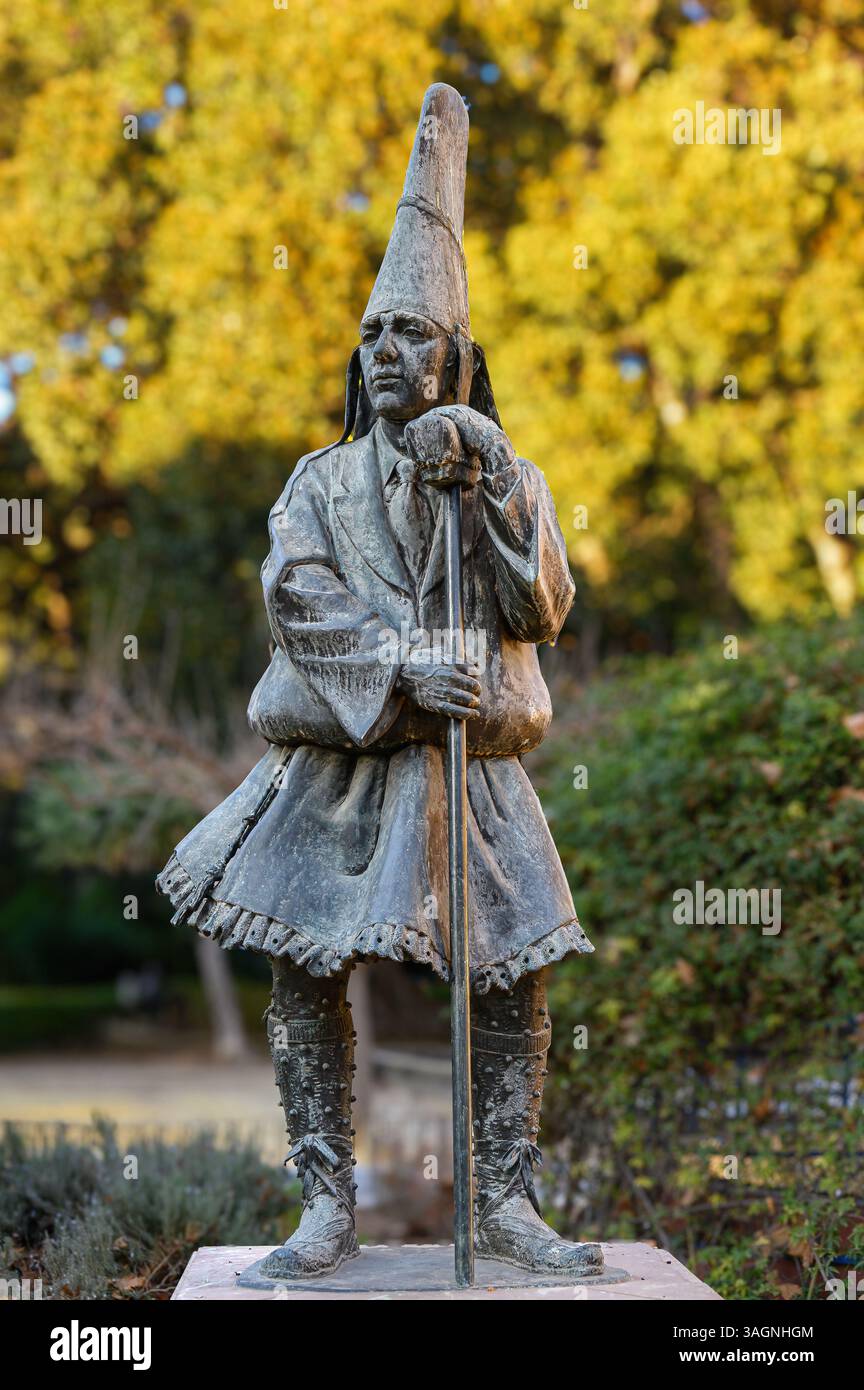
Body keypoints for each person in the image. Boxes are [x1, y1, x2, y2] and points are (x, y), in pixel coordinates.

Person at [158, 83, 601, 1281]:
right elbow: (296, 600)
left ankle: (505, 1204)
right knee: (303, 965)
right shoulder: (316, 482)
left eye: (412, 338)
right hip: (340, 761)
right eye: (373, 339)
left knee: (513, 973)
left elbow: (545, 607)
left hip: (474, 777)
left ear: (458, 357)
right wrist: (407, 665)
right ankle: (324, 1203)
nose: (387, 356)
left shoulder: (504, 473)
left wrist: (497, 472)